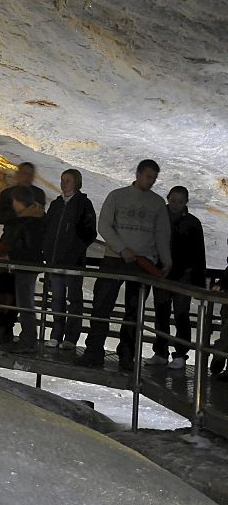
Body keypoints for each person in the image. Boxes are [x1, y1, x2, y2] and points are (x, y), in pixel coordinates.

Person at [75, 159, 172, 370]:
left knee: (133, 313)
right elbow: (104, 226)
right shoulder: (117, 196)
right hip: (114, 260)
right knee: (101, 307)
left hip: (143, 263)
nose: (151, 181)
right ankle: (93, 352)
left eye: (154, 178)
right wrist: (121, 248)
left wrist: (166, 261)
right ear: (138, 174)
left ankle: (127, 357)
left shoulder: (156, 204)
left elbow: (162, 234)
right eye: (148, 176)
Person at [145, 186, 206, 369]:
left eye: (180, 201)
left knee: (181, 315)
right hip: (161, 275)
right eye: (173, 200)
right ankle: (160, 352)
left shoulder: (193, 223)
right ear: (168, 199)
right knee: (161, 314)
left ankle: (180, 354)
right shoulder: (157, 219)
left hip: (183, 277)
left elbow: (198, 254)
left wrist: (198, 282)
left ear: (186, 202)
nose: (176, 204)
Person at [0, 162, 46, 343]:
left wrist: (21, 216)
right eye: (25, 173)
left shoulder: (38, 195)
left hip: (23, 248)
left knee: (20, 292)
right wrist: (19, 215)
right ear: (18, 174)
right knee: (2, 288)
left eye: (30, 174)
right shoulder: (7, 194)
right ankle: (0, 325)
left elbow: (38, 221)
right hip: (9, 242)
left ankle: (12, 328)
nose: (27, 177)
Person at [41, 168, 97, 349]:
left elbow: (89, 233)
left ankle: (71, 338)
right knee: (57, 298)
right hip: (55, 261)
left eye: (68, 180)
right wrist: (47, 251)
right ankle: (56, 334)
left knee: (74, 299)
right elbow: (47, 229)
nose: (64, 183)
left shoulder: (84, 204)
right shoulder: (56, 204)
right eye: (62, 180)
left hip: (73, 262)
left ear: (76, 183)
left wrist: (75, 251)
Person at [7, 186, 47, 353]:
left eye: (14, 202)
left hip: (25, 264)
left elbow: (25, 244)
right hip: (30, 263)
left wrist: (14, 255)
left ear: (19, 202)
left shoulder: (27, 220)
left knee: (25, 303)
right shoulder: (37, 215)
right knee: (25, 302)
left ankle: (28, 341)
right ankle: (28, 338)